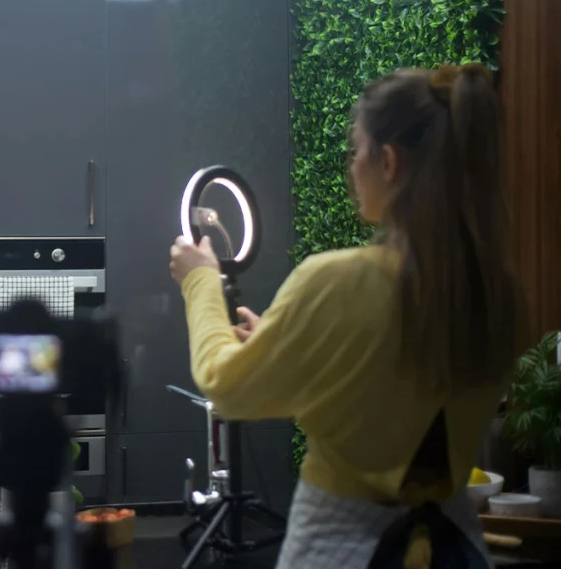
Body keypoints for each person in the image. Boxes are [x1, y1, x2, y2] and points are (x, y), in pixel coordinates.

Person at [169, 63, 524, 568]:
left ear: (389, 161)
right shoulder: (495, 292)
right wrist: (292, 346)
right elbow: (385, 393)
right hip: (455, 547)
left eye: (355, 151)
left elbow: (225, 386)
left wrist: (200, 280)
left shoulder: (338, 282)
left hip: (339, 549)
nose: (350, 167)